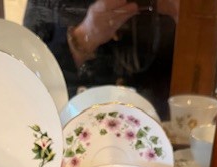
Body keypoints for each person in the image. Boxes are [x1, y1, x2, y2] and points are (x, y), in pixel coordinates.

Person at [23, 0, 179, 119]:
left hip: (161, 127)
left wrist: (181, 15)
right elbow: (30, 77)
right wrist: (84, 37)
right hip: (75, 127)